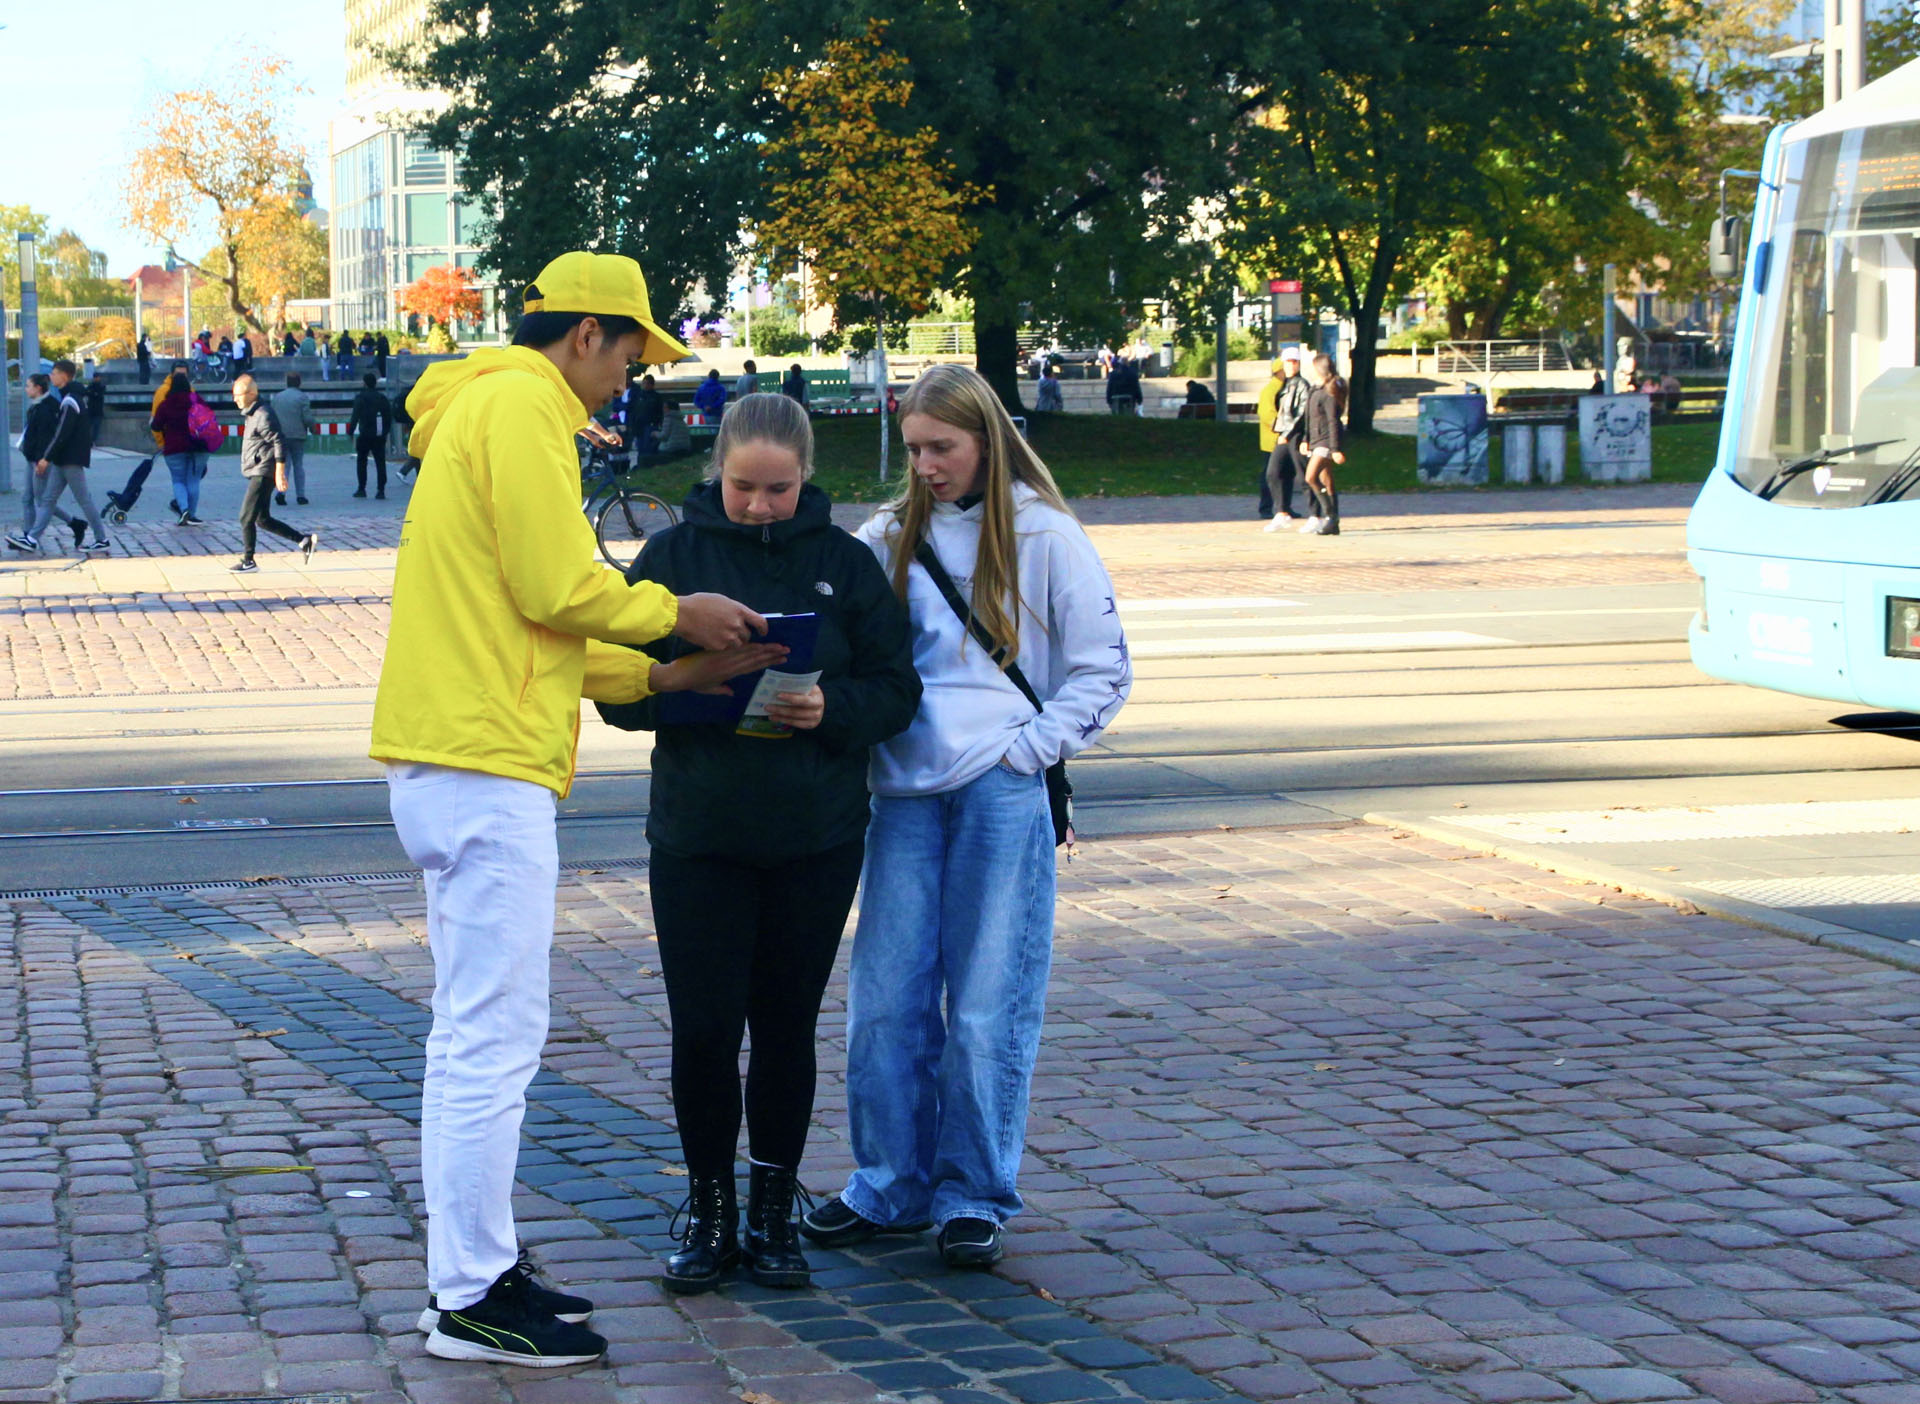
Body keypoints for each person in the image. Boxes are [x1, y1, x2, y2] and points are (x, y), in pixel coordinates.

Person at [372, 251, 771, 1369]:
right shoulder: (522, 407)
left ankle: (473, 1274)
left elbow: (532, 617)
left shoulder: (485, 403)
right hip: (485, 760)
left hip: (458, 747)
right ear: (587, 334)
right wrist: (676, 614)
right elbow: (559, 586)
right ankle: (471, 1295)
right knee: (492, 1038)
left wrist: (657, 674)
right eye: (631, 358)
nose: (628, 382)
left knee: (473, 1035)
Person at [799, 363, 1131, 1271]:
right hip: (903, 794)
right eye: (913, 449)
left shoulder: (1044, 534)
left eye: (941, 448)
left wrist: (1029, 751)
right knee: (885, 1004)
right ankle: (889, 1183)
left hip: (998, 789)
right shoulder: (887, 535)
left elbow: (1105, 668)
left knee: (988, 1004)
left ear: (986, 439)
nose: (926, 466)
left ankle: (974, 1193)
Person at [598, 394, 921, 1295]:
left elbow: (898, 689)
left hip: (815, 836)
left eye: (779, 490)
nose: (760, 506)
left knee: (786, 1028)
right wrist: (685, 682)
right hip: (700, 834)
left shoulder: (844, 564)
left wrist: (831, 708)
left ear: (806, 478)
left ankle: (773, 1209)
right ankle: (709, 1210)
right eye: (744, 487)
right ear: (718, 472)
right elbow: (616, 694)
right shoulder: (672, 561)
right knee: (704, 1030)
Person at [9, 361, 112, 555]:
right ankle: (32, 538)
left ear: (64, 376)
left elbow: (62, 433)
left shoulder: (70, 400)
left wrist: (46, 458)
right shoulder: (70, 398)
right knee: (48, 499)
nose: (51, 377)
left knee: (83, 499)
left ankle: (101, 538)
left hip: (70, 459)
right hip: (63, 459)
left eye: (54, 373)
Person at [230, 374, 317, 573]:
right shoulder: (253, 413)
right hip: (259, 469)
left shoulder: (262, 414)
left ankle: (248, 561)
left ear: (251, 394)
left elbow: (279, 441)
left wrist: (280, 472)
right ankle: (304, 541)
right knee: (262, 519)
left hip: (263, 471)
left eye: (238, 395)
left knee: (245, 517)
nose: (235, 399)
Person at [14, 374, 85, 548]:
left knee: (42, 500)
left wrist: (42, 459)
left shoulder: (46, 408)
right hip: (32, 457)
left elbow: (46, 438)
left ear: (38, 388)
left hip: (40, 460)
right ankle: (28, 534)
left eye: (28, 386)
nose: (26, 389)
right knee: (27, 498)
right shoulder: (39, 405)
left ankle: (73, 523)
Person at [149, 370, 211, 525]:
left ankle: (184, 510)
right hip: (199, 447)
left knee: (178, 480)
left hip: (174, 448)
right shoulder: (197, 401)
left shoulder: (166, 404)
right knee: (193, 481)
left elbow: (155, 426)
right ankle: (192, 515)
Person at [1298, 352, 1347, 536]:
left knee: (1310, 477)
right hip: (1316, 439)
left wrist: (1335, 449)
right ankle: (1333, 523)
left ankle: (1331, 516)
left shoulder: (1328, 393)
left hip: (1326, 441)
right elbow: (1309, 418)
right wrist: (1305, 439)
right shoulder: (1314, 390)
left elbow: (1333, 421)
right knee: (1327, 480)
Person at [1259, 350, 1309, 527]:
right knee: (1273, 473)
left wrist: (1285, 432)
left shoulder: (1296, 385)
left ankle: (1287, 509)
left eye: (1293, 362)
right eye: (1286, 364)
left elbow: (1299, 412)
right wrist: (1279, 431)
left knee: (1292, 474)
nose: (1288, 368)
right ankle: (1271, 508)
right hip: (1275, 438)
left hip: (1288, 436)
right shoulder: (1273, 389)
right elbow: (1267, 414)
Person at [272, 372, 317, 505]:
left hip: (281, 437)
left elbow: (271, 417)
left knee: (284, 466)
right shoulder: (302, 397)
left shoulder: (277, 397)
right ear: (299, 383)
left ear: (287, 382)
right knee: (298, 466)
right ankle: (300, 495)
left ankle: (281, 493)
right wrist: (312, 428)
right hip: (298, 436)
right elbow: (307, 418)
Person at [349, 372, 393, 499]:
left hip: (364, 434)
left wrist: (351, 431)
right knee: (380, 462)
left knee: (362, 461)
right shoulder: (382, 398)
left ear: (364, 383)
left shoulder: (360, 398)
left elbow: (355, 416)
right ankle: (381, 490)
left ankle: (361, 488)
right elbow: (388, 417)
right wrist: (385, 432)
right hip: (378, 435)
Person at [629, 373, 665, 452]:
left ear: (652, 385)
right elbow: (633, 411)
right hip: (639, 426)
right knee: (640, 447)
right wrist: (632, 424)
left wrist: (658, 422)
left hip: (651, 425)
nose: (645, 385)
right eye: (644, 383)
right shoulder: (638, 396)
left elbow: (660, 412)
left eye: (647, 383)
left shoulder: (656, 397)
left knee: (649, 447)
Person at [85, 374, 106, 442]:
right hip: (91, 410)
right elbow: (87, 392)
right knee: (88, 427)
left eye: (97, 377)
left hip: (98, 411)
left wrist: (93, 393)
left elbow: (99, 395)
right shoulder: (91, 385)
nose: (96, 379)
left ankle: (93, 441)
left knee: (96, 427)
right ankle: (88, 440)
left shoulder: (101, 386)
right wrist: (94, 393)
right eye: (95, 377)